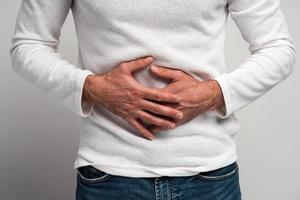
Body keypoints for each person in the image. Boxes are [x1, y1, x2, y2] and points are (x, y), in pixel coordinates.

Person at [10, 0, 295, 199]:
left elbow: (278, 48)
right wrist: (93, 88)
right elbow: (28, 45)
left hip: (210, 175)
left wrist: (211, 94)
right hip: (109, 175)